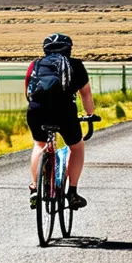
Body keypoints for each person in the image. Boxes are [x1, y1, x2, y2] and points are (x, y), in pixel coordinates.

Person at [24, 33, 98, 210]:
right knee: (76, 147)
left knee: (39, 144)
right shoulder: (75, 65)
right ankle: (72, 192)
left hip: (36, 109)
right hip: (64, 110)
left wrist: (35, 107)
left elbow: (28, 90)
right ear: (69, 49)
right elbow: (85, 93)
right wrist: (90, 114)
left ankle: (35, 188)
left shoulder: (35, 64)